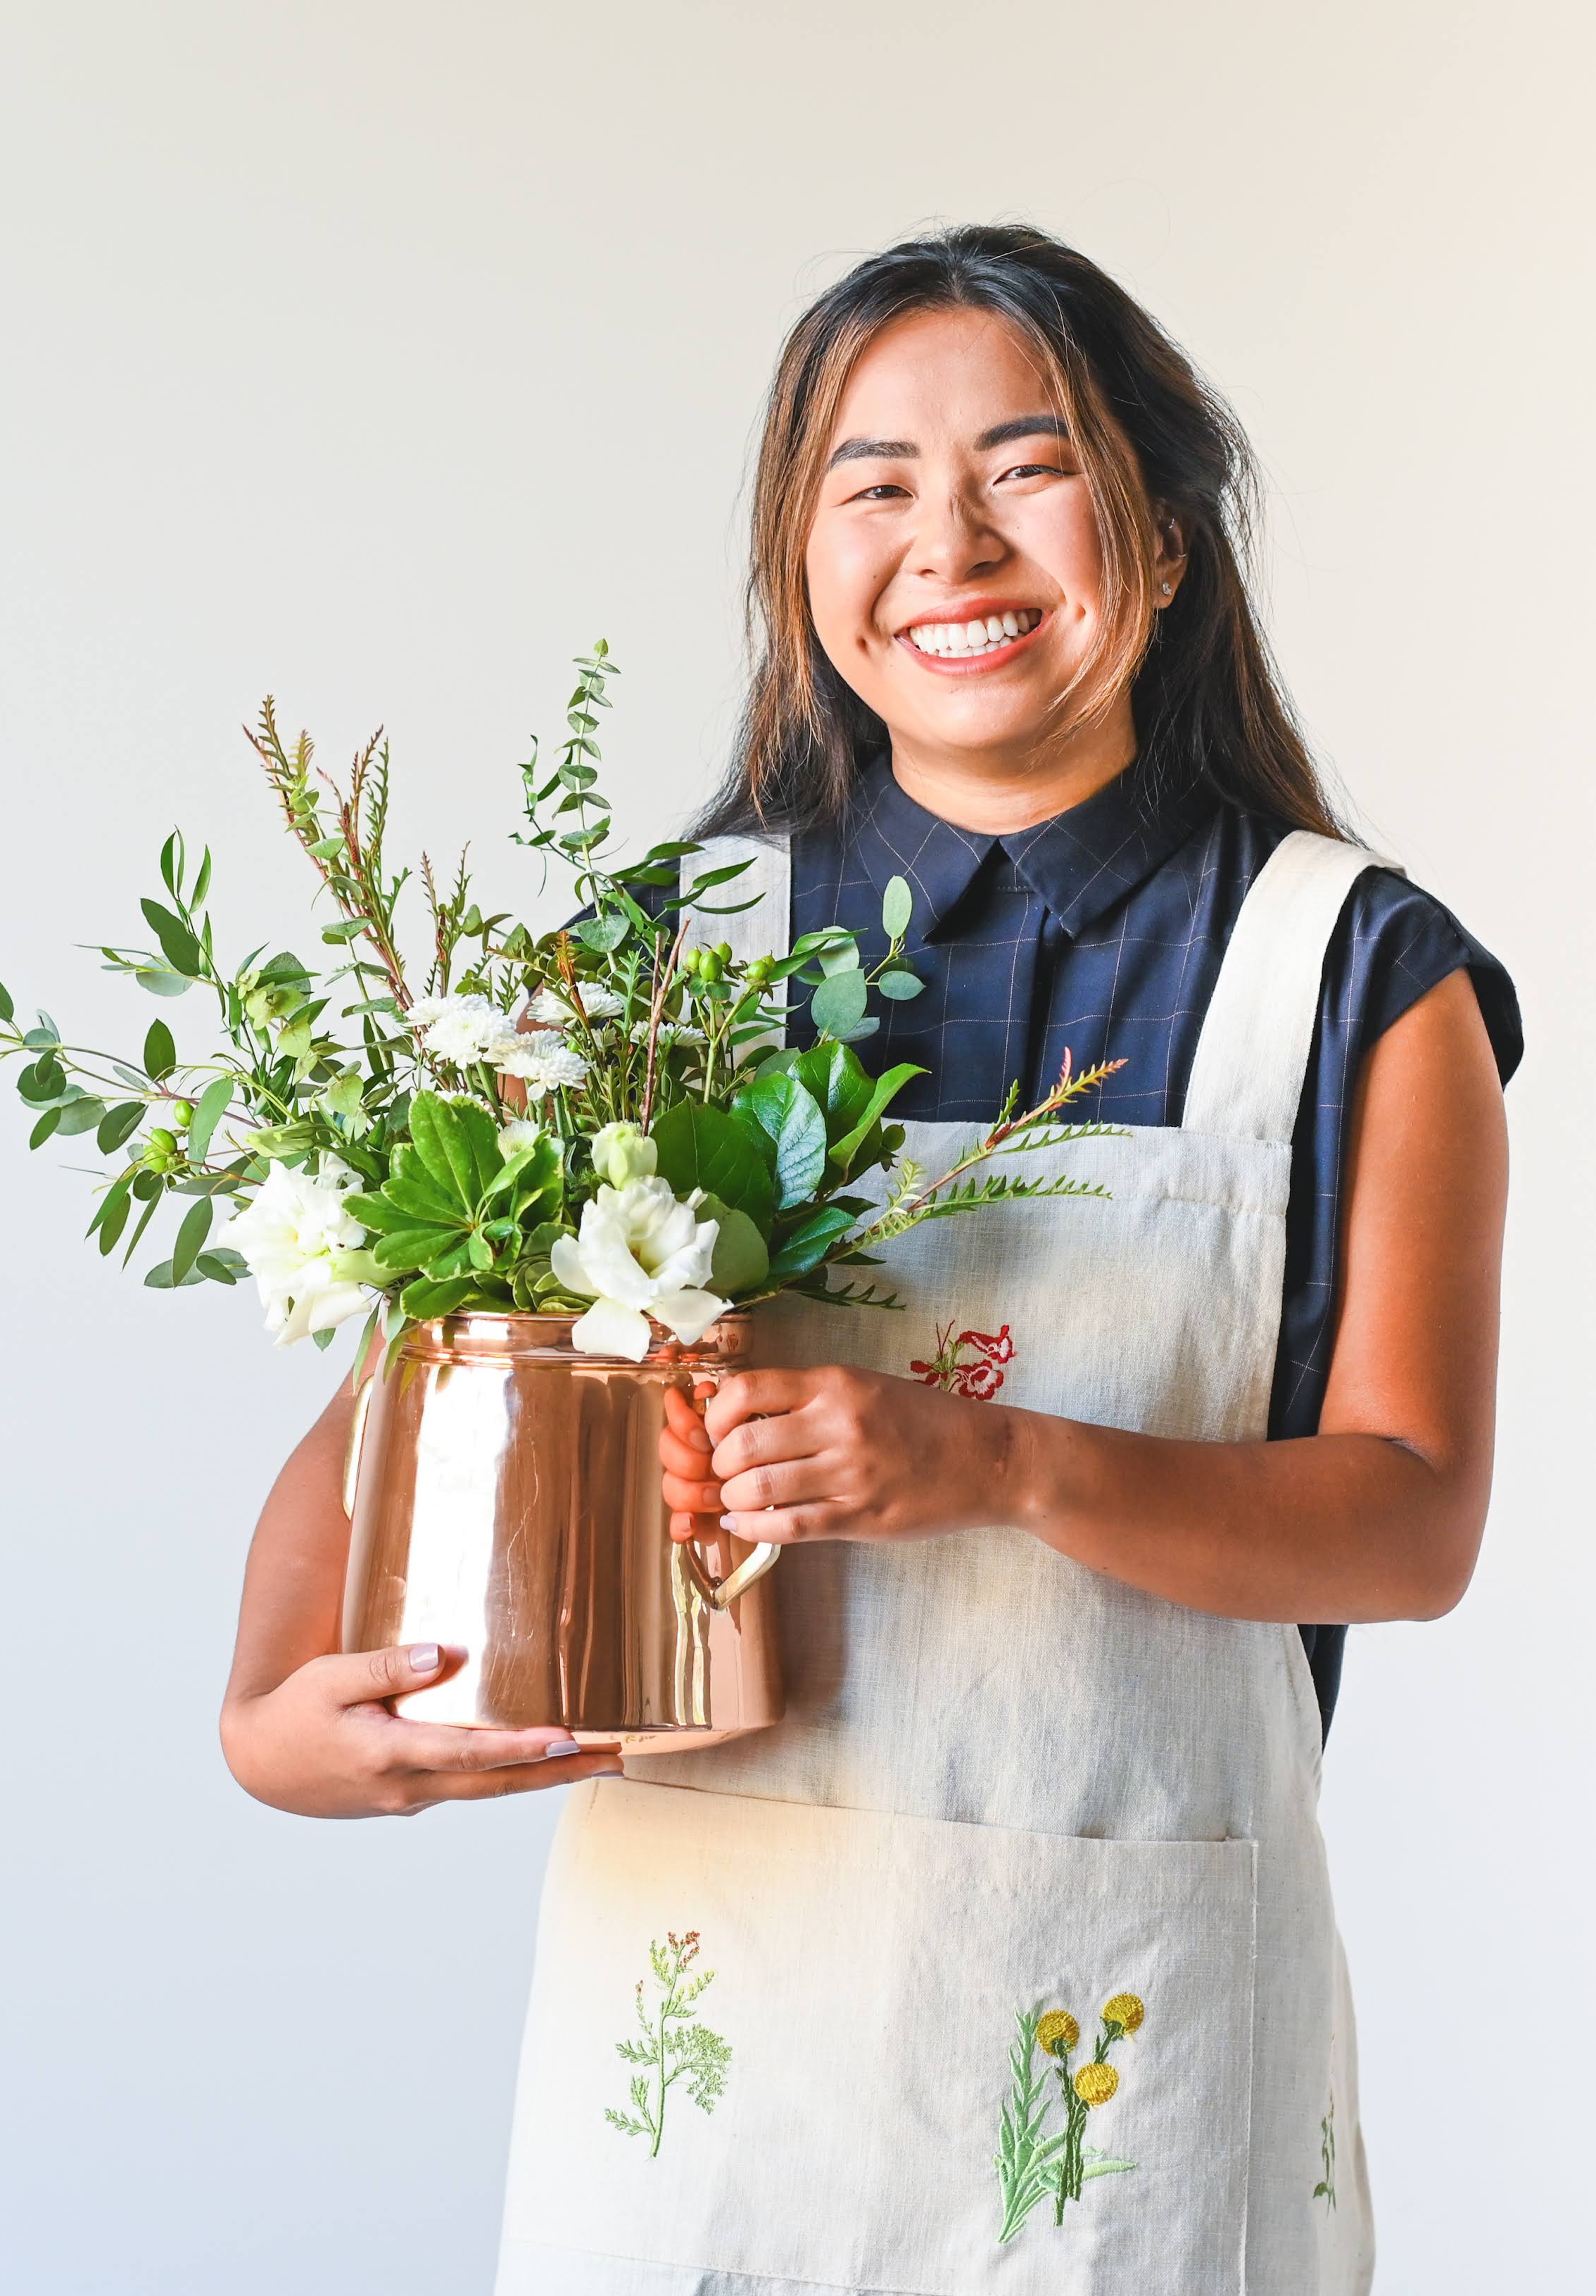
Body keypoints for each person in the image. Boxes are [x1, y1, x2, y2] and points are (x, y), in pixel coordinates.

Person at [219, 225, 1516, 2293]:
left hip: (1132, 2050)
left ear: (1165, 539)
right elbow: (404, 1400)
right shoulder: (665, 963)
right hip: (708, 2035)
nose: (953, 542)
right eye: (876, 483)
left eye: (1029, 465)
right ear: (800, 561)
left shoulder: (1348, 978)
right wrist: (277, 1717)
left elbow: (1412, 1522)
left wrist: (1001, 1466)